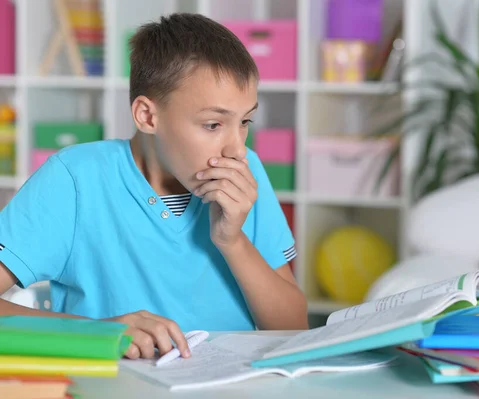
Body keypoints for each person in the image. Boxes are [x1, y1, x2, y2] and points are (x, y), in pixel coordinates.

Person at [0, 13, 308, 360]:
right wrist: (98, 333)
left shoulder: (245, 173)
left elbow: (294, 328)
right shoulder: (75, 180)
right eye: (212, 124)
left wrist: (232, 241)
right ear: (147, 116)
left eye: (245, 122)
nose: (236, 149)